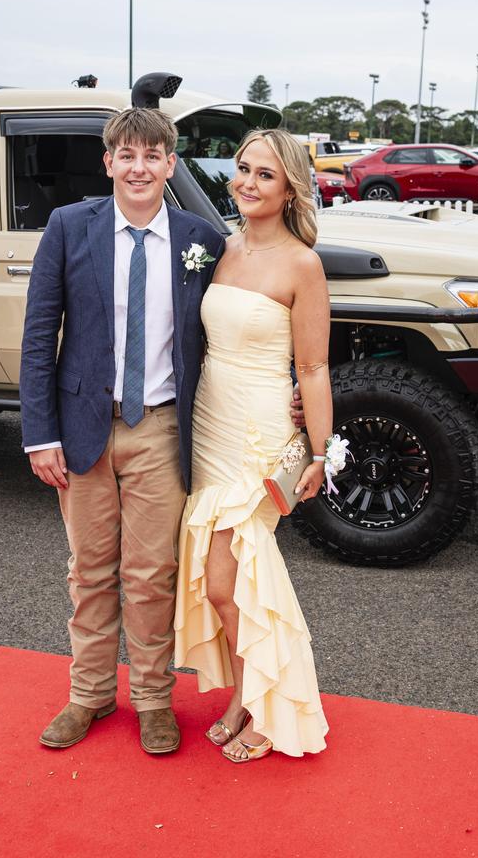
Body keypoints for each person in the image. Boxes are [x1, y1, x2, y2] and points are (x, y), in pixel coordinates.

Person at [20, 107, 225, 754]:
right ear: (108, 163)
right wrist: (38, 434)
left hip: (160, 430)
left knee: (150, 574)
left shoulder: (201, 239)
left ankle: (154, 700)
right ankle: (88, 695)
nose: (139, 168)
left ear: (170, 164)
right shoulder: (68, 227)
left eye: (153, 156)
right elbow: (37, 337)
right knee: (88, 571)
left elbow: (223, 336)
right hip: (82, 428)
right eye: (126, 156)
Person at [174, 128, 331, 763]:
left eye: (265, 174)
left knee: (228, 579)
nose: (248, 182)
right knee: (226, 583)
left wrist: (320, 452)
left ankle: (268, 708)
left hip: (260, 434)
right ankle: (246, 696)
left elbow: (314, 369)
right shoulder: (221, 247)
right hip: (209, 426)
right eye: (243, 169)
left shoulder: (303, 264)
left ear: (289, 185)